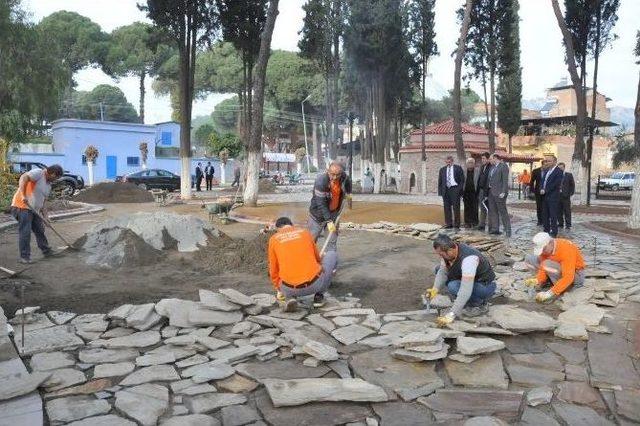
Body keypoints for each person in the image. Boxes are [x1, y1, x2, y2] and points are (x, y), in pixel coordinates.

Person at [425, 234, 497, 326]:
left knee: (454, 286)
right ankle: (463, 301)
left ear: (450, 251)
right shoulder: (450, 251)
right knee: (438, 269)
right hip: (473, 281)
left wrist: (451, 314)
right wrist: (435, 289)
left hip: (485, 285)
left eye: (441, 254)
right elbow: (442, 272)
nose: (440, 256)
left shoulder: (469, 260)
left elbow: (465, 290)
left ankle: (479, 305)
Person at [268, 217, 338, 311]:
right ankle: (319, 297)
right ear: (291, 225)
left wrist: (279, 289)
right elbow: (317, 258)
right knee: (332, 254)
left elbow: (273, 269)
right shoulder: (304, 233)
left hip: (288, 289)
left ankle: (290, 298)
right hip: (315, 285)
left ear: (278, 229)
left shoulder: (273, 239)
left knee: (286, 277)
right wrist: (320, 267)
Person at [10, 164, 64, 264]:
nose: (56, 179)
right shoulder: (39, 173)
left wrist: (46, 217)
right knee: (25, 232)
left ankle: (46, 251)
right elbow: (23, 178)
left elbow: (43, 203)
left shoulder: (48, 185)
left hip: (34, 210)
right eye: (56, 177)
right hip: (22, 207)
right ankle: (24, 257)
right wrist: (23, 195)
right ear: (51, 173)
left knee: (40, 230)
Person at [523, 232, 586, 303]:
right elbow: (542, 267)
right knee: (529, 259)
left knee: (547, 264)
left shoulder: (566, 249)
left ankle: (562, 288)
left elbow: (568, 277)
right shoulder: (546, 249)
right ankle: (546, 282)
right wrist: (537, 280)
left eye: (543, 249)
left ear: (550, 243)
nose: (542, 252)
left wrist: (550, 293)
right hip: (557, 270)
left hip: (575, 276)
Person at [308, 162, 352, 253]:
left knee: (331, 241)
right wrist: (329, 221)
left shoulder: (343, 177)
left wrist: (349, 195)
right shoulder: (321, 181)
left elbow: (348, 182)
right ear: (328, 171)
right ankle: (310, 262)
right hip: (317, 217)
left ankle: (330, 263)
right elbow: (321, 204)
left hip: (333, 214)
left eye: (337, 175)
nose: (335, 177)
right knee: (311, 241)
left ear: (341, 173)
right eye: (332, 174)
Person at [487, 154, 511, 237]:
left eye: (490, 159)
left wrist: (503, 191)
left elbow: (505, 180)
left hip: (499, 193)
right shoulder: (492, 167)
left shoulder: (503, 166)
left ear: (495, 158)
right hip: (491, 192)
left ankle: (507, 229)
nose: (489, 161)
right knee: (493, 211)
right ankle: (495, 229)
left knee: (503, 212)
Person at [437, 155, 464, 230]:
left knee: (456, 207)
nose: (448, 163)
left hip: (455, 189)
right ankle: (448, 223)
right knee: (446, 207)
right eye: (447, 162)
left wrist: (459, 189)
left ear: (452, 161)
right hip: (446, 190)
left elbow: (462, 180)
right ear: (445, 162)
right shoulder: (442, 170)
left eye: (450, 162)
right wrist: (440, 192)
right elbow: (440, 181)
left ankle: (456, 224)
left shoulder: (458, 168)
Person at [540, 155, 563, 237]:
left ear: (554, 162)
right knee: (545, 214)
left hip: (553, 197)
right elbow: (543, 181)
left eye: (549, 161)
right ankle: (546, 230)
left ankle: (554, 231)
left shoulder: (558, 171)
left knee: (553, 215)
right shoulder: (546, 170)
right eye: (546, 161)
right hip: (545, 196)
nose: (547, 163)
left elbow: (556, 184)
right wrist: (541, 188)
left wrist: (545, 190)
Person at [476, 152, 492, 232]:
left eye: (484, 158)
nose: (482, 160)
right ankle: (481, 224)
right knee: (482, 208)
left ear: (488, 159)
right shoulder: (482, 167)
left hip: (488, 191)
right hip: (481, 190)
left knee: (489, 208)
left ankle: (490, 225)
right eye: (482, 158)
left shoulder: (491, 167)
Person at [557, 162, 575, 230]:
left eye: (561, 168)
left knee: (567, 211)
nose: (560, 169)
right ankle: (560, 223)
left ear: (564, 168)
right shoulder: (556, 176)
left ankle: (568, 224)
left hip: (566, 196)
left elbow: (572, 185)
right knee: (558, 211)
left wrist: (570, 193)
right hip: (558, 196)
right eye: (559, 168)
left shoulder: (569, 175)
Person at [463, 157, 479, 228]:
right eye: (469, 163)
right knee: (467, 208)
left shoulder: (477, 171)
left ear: (474, 164)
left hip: (475, 193)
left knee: (475, 208)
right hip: (466, 193)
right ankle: (467, 222)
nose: (470, 164)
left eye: (471, 163)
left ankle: (475, 222)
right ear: (466, 164)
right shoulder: (463, 171)